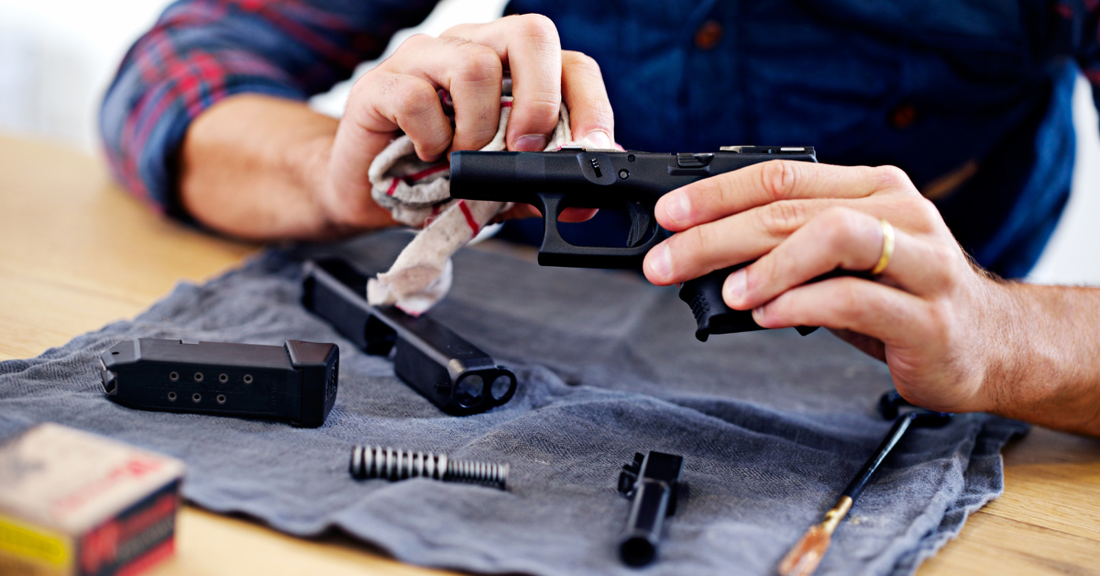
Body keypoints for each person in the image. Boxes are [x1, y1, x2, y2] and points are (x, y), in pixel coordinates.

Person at [101, 1, 1100, 435]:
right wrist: (336, 174)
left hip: (880, 406)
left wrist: (1000, 337)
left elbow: (1001, 341)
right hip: (506, 341)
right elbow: (175, 71)